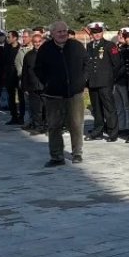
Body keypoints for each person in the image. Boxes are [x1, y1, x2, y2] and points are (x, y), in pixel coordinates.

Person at [34, 21, 88, 166]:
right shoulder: (46, 49)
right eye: (59, 32)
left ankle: (77, 153)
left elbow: (86, 64)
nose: (63, 34)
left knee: (76, 124)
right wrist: (48, 83)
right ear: (52, 34)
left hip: (74, 94)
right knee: (54, 125)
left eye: (65, 31)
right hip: (53, 95)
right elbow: (38, 69)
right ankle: (57, 156)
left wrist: (82, 81)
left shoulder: (76, 46)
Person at [21, 29, 47, 135]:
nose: (37, 44)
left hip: (45, 86)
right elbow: (25, 72)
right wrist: (25, 87)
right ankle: (38, 127)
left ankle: (47, 126)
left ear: (42, 41)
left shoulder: (48, 54)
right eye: (35, 42)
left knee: (47, 108)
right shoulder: (29, 55)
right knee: (36, 109)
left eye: (39, 41)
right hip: (33, 86)